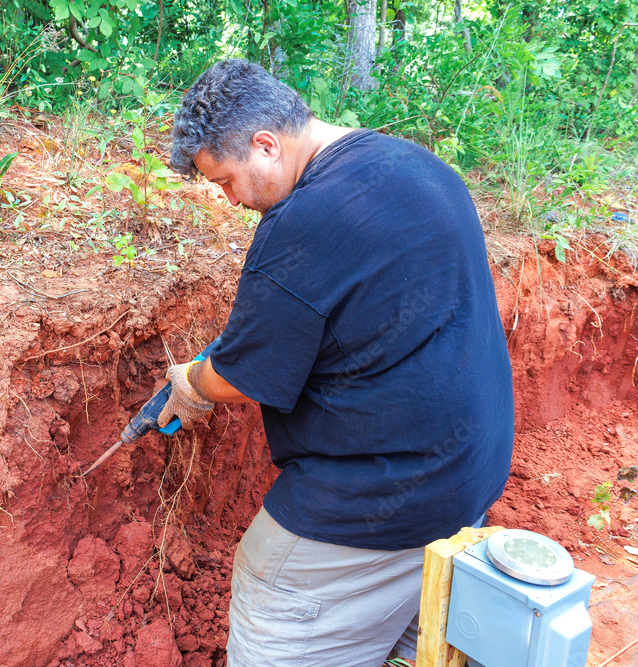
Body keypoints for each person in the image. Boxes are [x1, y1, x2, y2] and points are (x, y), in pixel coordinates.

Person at [156, 59, 515, 666]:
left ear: (265, 145)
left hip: (391, 493)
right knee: (411, 632)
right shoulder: (421, 167)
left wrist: (191, 381)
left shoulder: (302, 225)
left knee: (269, 583)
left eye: (226, 181)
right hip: (472, 473)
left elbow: (242, 376)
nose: (232, 201)